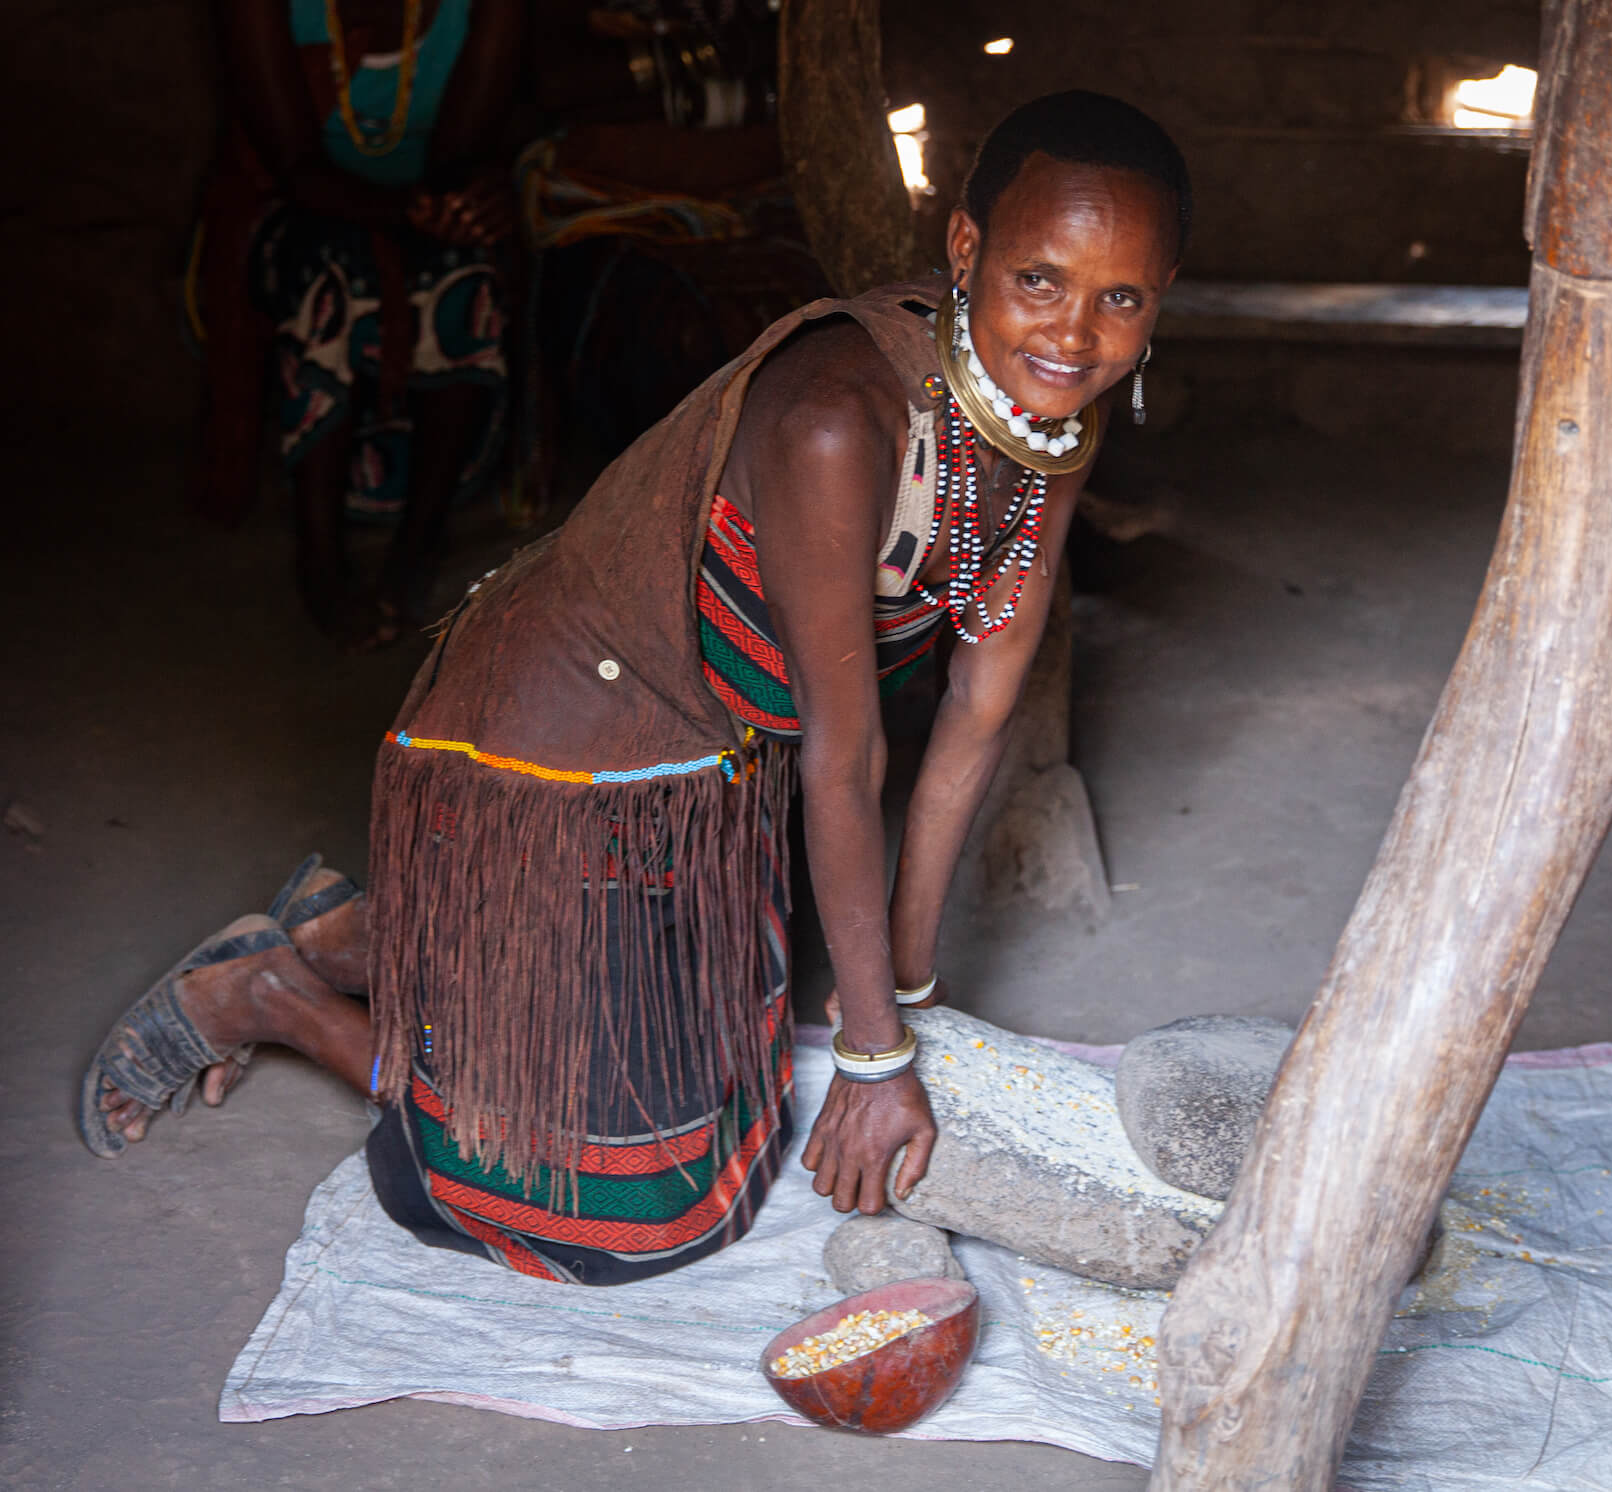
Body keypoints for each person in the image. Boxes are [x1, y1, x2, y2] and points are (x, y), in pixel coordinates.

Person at [82, 93, 1190, 1285]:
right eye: (1040, 279)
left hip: (701, 771)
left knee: (738, 1118)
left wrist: (913, 1009)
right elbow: (848, 756)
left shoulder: (1048, 427)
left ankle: (374, 929)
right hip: (551, 748)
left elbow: (976, 716)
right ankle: (271, 993)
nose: (1076, 332)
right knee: (627, 1214)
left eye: (1120, 297)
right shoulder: (837, 421)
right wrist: (873, 1057)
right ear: (966, 249)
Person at [198, 0, 524, 648]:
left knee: (463, 275)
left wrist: (455, 211)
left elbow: (461, 152)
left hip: (425, 208)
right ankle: (319, 556)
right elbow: (293, 167)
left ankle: (418, 540)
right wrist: (409, 213)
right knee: (330, 277)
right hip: (299, 211)